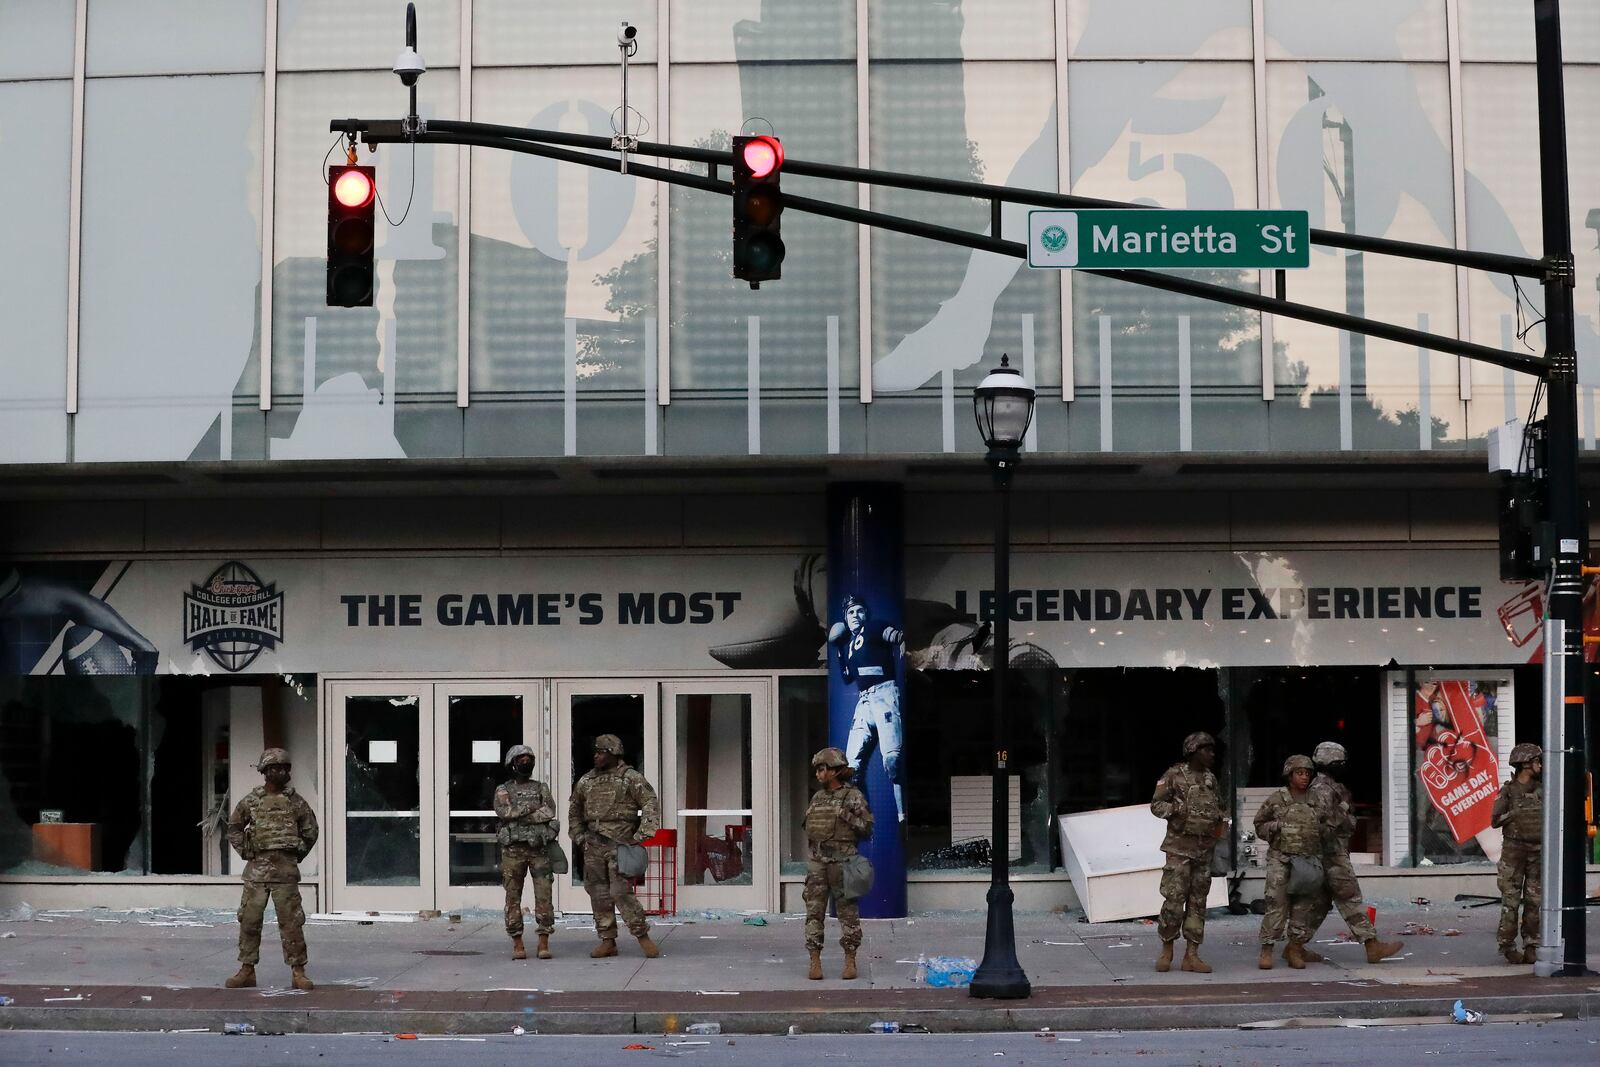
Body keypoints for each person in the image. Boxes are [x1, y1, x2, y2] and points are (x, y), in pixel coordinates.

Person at [224, 748, 319, 990]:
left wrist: (296, 852)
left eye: (286, 768)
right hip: (257, 873)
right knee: (249, 921)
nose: (282, 772)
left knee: (292, 923)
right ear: (266, 771)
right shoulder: (251, 801)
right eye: (276, 768)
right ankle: (247, 970)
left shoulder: (296, 802)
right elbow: (234, 827)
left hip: (284, 873)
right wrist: (246, 851)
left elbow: (310, 831)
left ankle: (298, 971)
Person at [1303, 742, 1403, 965]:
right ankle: (1372, 945)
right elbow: (1319, 827)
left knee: (1320, 904)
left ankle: (1294, 945)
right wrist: (1343, 813)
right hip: (1331, 854)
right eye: (1341, 763)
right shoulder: (1322, 790)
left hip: (1329, 854)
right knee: (1350, 899)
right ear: (1333, 764)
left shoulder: (1328, 787)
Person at [568, 733, 661, 959]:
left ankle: (642, 935)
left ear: (613, 753)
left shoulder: (630, 778)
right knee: (598, 894)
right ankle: (607, 940)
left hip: (620, 844)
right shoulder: (586, 781)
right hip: (594, 845)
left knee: (620, 892)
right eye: (596, 752)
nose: (596, 756)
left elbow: (650, 802)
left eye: (601, 752)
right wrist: (580, 837)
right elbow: (575, 811)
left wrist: (641, 834)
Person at [1149, 731, 1225, 973]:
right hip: (1179, 849)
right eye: (1207, 750)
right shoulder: (1174, 775)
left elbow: (1219, 807)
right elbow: (1156, 805)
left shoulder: (1211, 779)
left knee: (1198, 903)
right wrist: (1178, 809)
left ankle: (1192, 955)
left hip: (1203, 851)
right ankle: (1167, 949)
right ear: (1194, 751)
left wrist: (1219, 825)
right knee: (1173, 901)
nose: (1211, 755)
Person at [828, 594, 907, 822]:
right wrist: (839, 649)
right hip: (864, 700)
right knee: (850, 767)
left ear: (866, 614)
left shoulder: (874, 627)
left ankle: (902, 816)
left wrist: (900, 642)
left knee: (892, 761)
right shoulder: (849, 645)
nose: (855, 615)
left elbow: (894, 636)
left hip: (884, 693)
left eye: (859, 610)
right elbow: (847, 678)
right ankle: (860, 817)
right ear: (845, 617)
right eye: (851, 612)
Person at [803, 747, 875, 981]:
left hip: (843, 862)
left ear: (834, 771)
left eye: (822, 769)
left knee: (848, 913)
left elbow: (867, 828)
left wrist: (845, 814)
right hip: (818, 862)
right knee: (814, 912)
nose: (818, 774)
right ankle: (814, 960)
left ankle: (850, 959)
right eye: (817, 770)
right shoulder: (817, 797)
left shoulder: (853, 796)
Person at [1253, 754, 1328, 970]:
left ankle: (1295, 949)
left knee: (1303, 907)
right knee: (1276, 904)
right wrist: (1276, 827)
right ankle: (1267, 950)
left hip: (1307, 859)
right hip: (1281, 859)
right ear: (1290, 774)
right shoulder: (1277, 799)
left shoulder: (1316, 799)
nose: (1304, 777)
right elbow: (1259, 824)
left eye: (1307, 773)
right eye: (1299, 773)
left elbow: (1328, 825)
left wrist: (1317, 832)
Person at [495, 744, 559, 961]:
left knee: (544, 896)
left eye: (528, 758)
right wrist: (531, 810)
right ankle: (517, 943)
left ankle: (543, 942)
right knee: (513, 897)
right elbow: (504, 811)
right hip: (513, 852)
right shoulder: (503, 789)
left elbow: (549, 810)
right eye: (520, 759)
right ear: (511, 763)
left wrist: (521, 815)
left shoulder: (541, 787)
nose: (525, 762)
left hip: (538, 850)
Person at [1492, 743, 1543, 964]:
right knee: (1510, 901)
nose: (1540, 765)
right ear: (1525, 764)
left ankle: (1531, 944)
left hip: (1537, 851)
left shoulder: (1543, 789)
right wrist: (1516, 812)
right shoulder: (1508, 791)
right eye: (1536, 761)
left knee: (1534, 901)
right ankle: (1507, 946)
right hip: (1513, 852)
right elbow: (1495, 820)